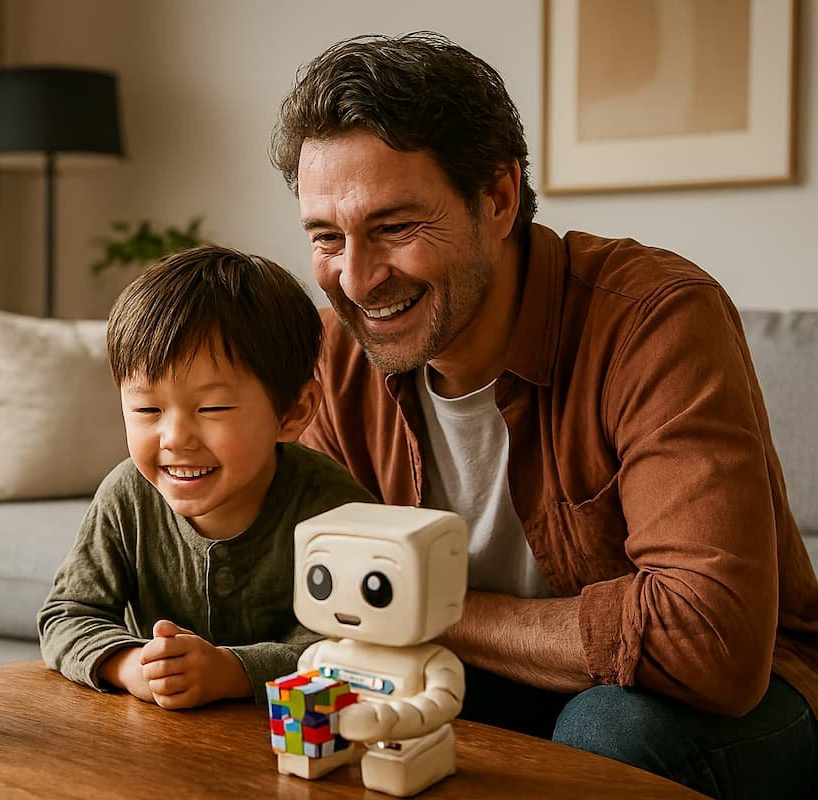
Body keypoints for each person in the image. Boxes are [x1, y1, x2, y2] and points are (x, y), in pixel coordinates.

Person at [269, 31, 818, 798]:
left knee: (604, 732)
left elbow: (711, 642)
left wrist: (422, 606)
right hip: (490, 677)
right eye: (327, 237)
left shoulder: (654, 321)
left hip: (738, 702)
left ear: (497, 198)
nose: (356, 280)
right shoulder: (338, 353)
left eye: (395, 227)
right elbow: (302, 585)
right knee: (327, 708)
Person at [38, 245, 376, 709]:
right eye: (147, 409)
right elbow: (65, 615)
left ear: (294, 413)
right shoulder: (127, 496)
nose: (175, 437)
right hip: (162, 750)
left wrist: (232, 671)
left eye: (212, 408)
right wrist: (130, 663)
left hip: (300, 746)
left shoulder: (337, 512)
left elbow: (358, 650)